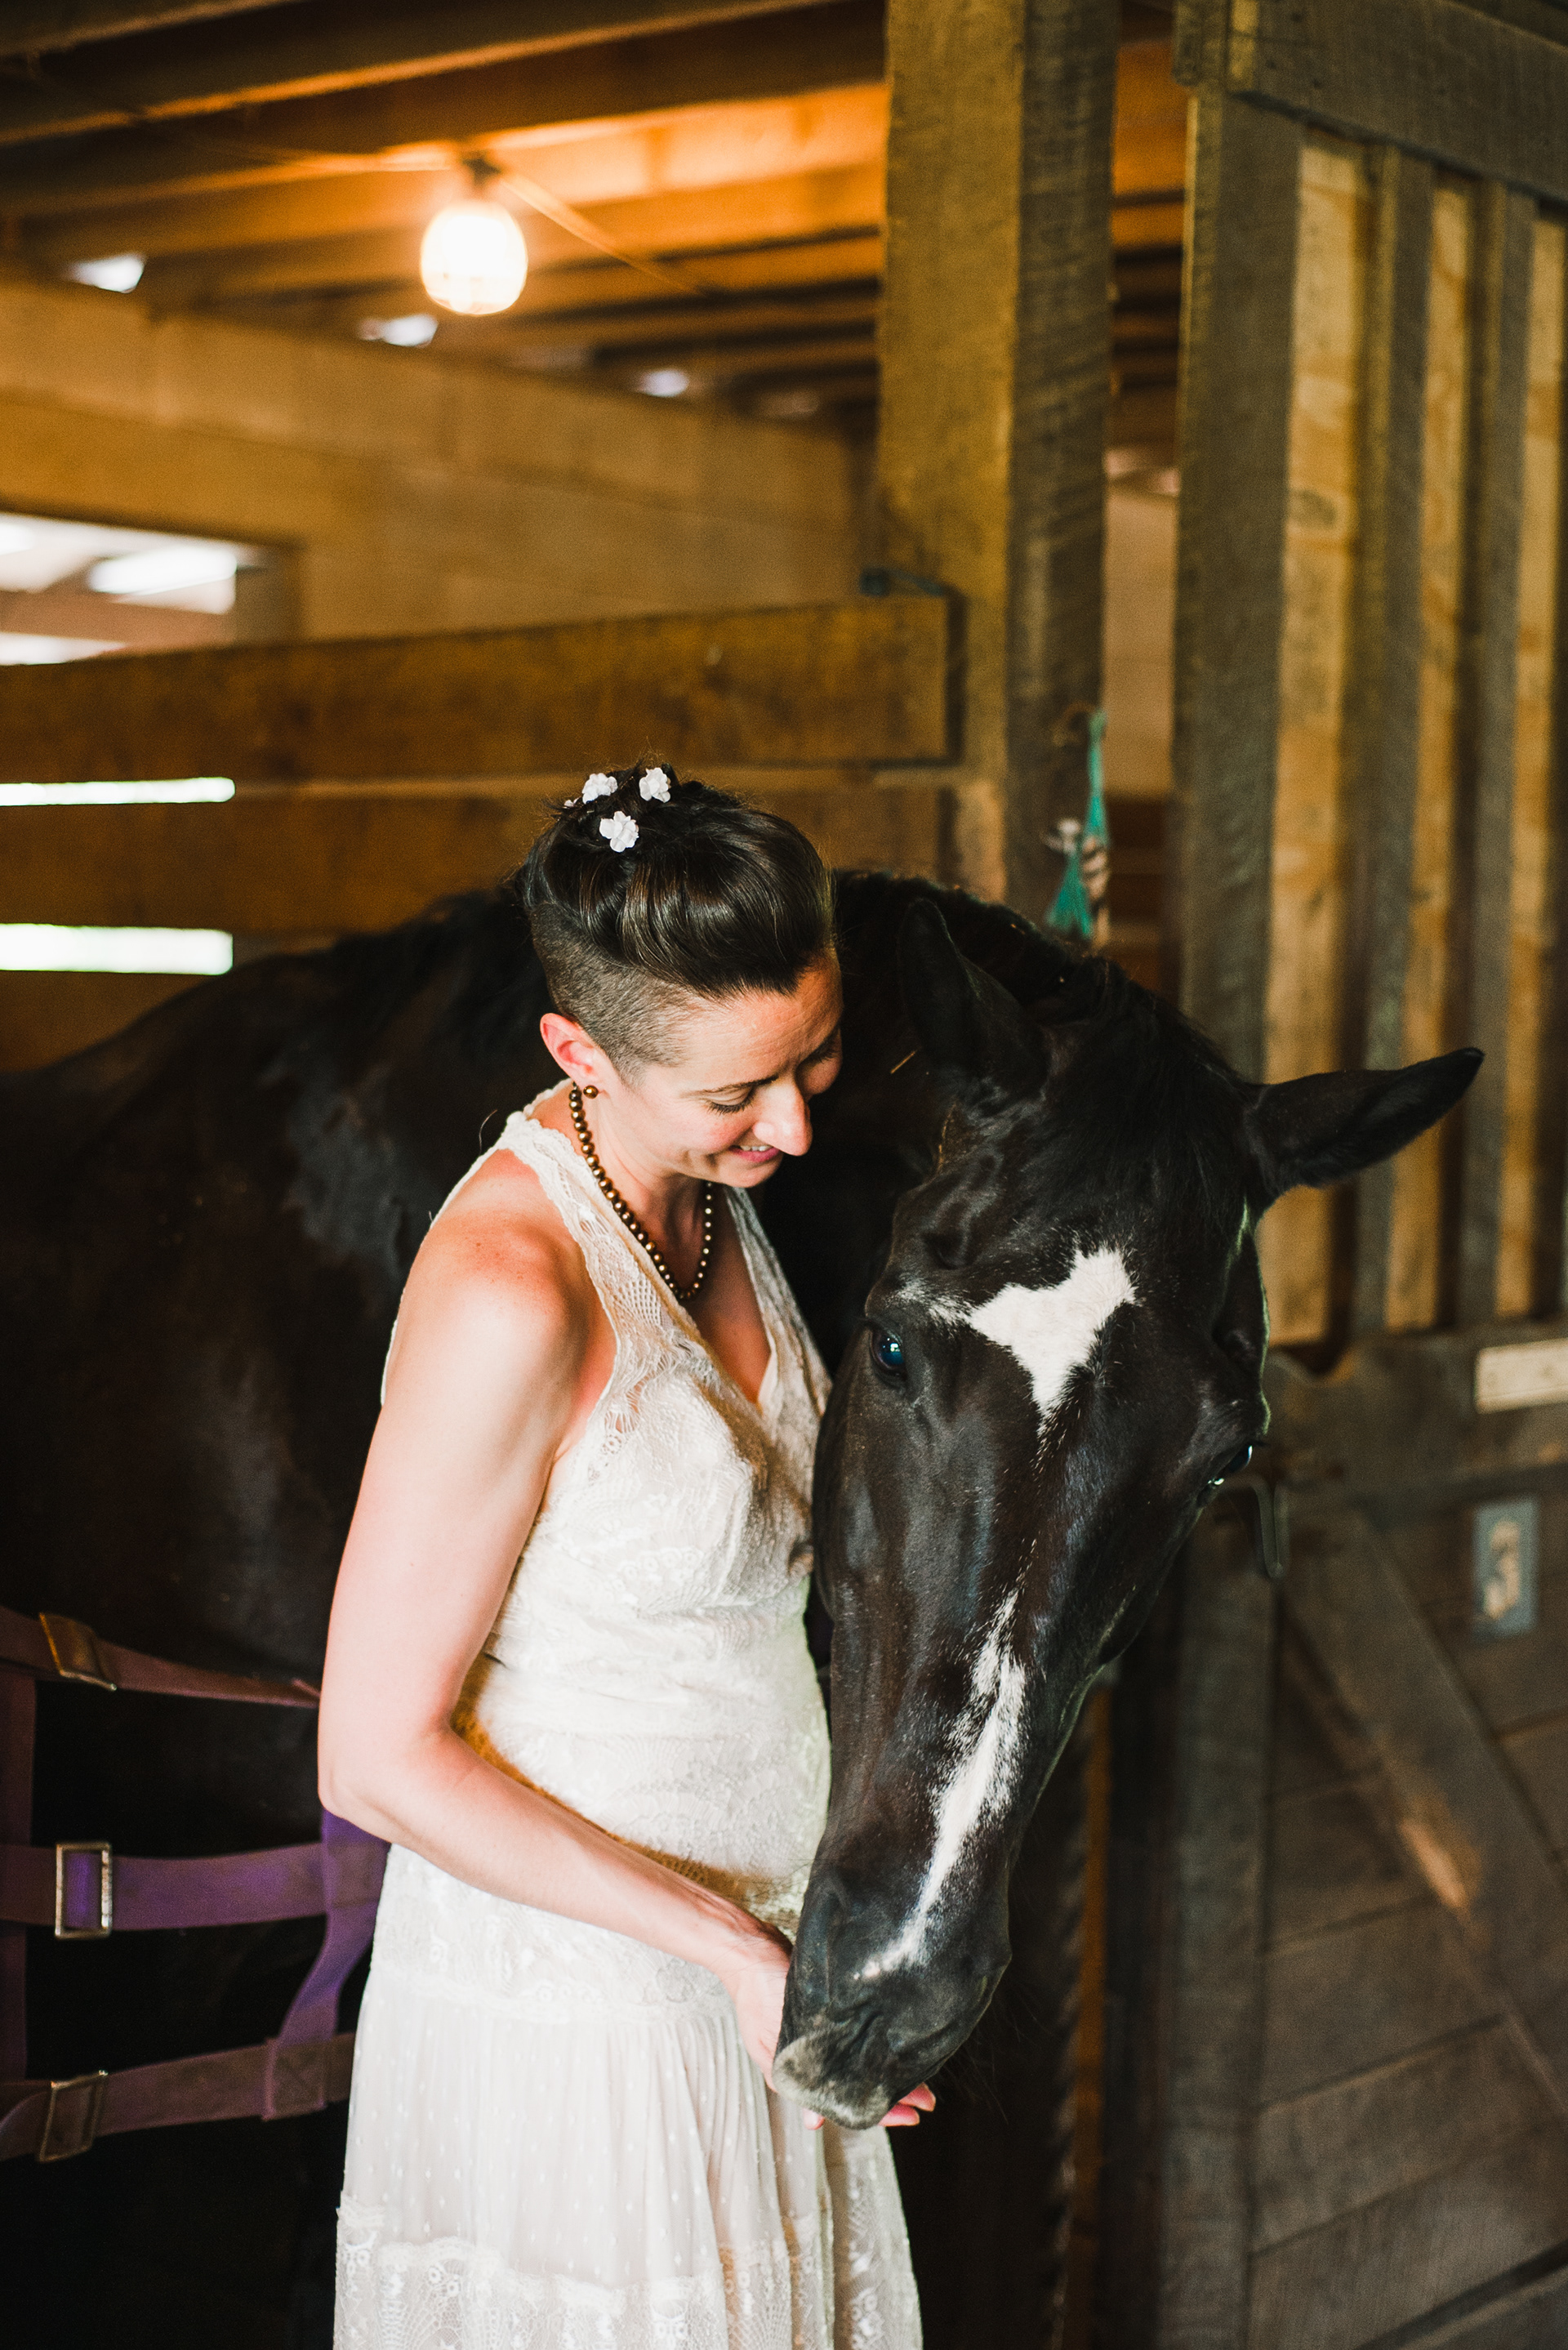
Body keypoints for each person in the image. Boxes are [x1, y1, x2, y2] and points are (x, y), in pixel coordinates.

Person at [318, 768, 926, 2350]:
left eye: (813, 1055)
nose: (795, 1124)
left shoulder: (715, 1192)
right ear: (579, 1053)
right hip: (584, 2018)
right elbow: (371, 1755)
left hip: (763, 1972)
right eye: (738, 1093)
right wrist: (729, 1950)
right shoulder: (513, 1291)